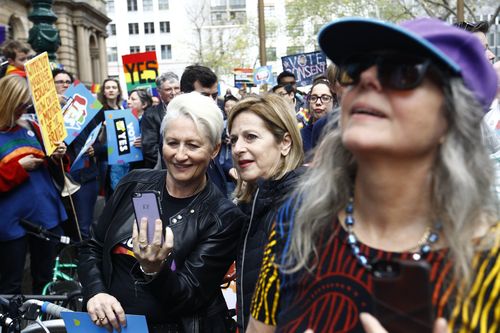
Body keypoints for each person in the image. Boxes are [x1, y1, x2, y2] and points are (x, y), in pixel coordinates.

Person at [247, 17, 499, 333]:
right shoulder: (298, 218)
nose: (367, 79)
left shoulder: (490, 256)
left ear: (452, 115)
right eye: (357, 69)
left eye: (403, 72)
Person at [78, 92, 246, 333]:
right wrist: (96, 292)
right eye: (172, 142)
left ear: (215, 149)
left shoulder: (223, 218)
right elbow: (92, 246)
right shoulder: (133, 183)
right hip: (104, 326)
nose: (179, 155)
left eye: (193, 145)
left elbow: (189, 296)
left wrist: (154, 270)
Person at [227, 94, 304, 331]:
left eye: (251, 137)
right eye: (233, 139)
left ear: (285, 143)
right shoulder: (254, 199)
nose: (238, 148)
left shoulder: (300, 205)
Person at [0, 75, 67, 294]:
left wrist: (58, 154)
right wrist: (20, 167)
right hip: (10, 219)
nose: (23, 109)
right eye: (19, 104)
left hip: (44, 212)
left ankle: (42, 323)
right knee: (11, 282)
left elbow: (56, 166)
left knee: (45, 277)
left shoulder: (33, 125)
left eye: (26, 104)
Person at [52, 68, 100, 239]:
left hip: (86, 177)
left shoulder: (83, 108)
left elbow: (98, 141)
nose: (64, 84)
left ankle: (86, 262)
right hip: (62, 178)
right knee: (68, 228)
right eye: (59, 81)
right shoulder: (48, 114)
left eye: (67, 81)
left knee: (84, 227)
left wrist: (95, 149)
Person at [180, 65, 228, 197]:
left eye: (214, 96)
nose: (212, 102)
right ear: (184, 96)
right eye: (205, 96)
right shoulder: (176, 131)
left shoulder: (211, 125)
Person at [141, 72, 180, 169]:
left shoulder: (190, 110)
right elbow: (149, 147)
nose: (173, 93)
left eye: (176, 88)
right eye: (168, 89)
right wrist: (174, 160)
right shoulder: (150, 114)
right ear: (159, 92)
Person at [96, 78, 124, 200]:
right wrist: (104, 128)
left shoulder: (123, 110)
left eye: (114, 87)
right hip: (106, 159)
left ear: (118, 91)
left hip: (123, 158)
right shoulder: (99, 111)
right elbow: (98, 140)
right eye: (108, 88)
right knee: (111, 195)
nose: (111, 90)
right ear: (103, 92)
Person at [301, 79, 335, 155]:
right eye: (313, 98)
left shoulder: (341, 132)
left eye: (325, 98)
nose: (318, 102)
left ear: (334, 101)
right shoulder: (301, 136)